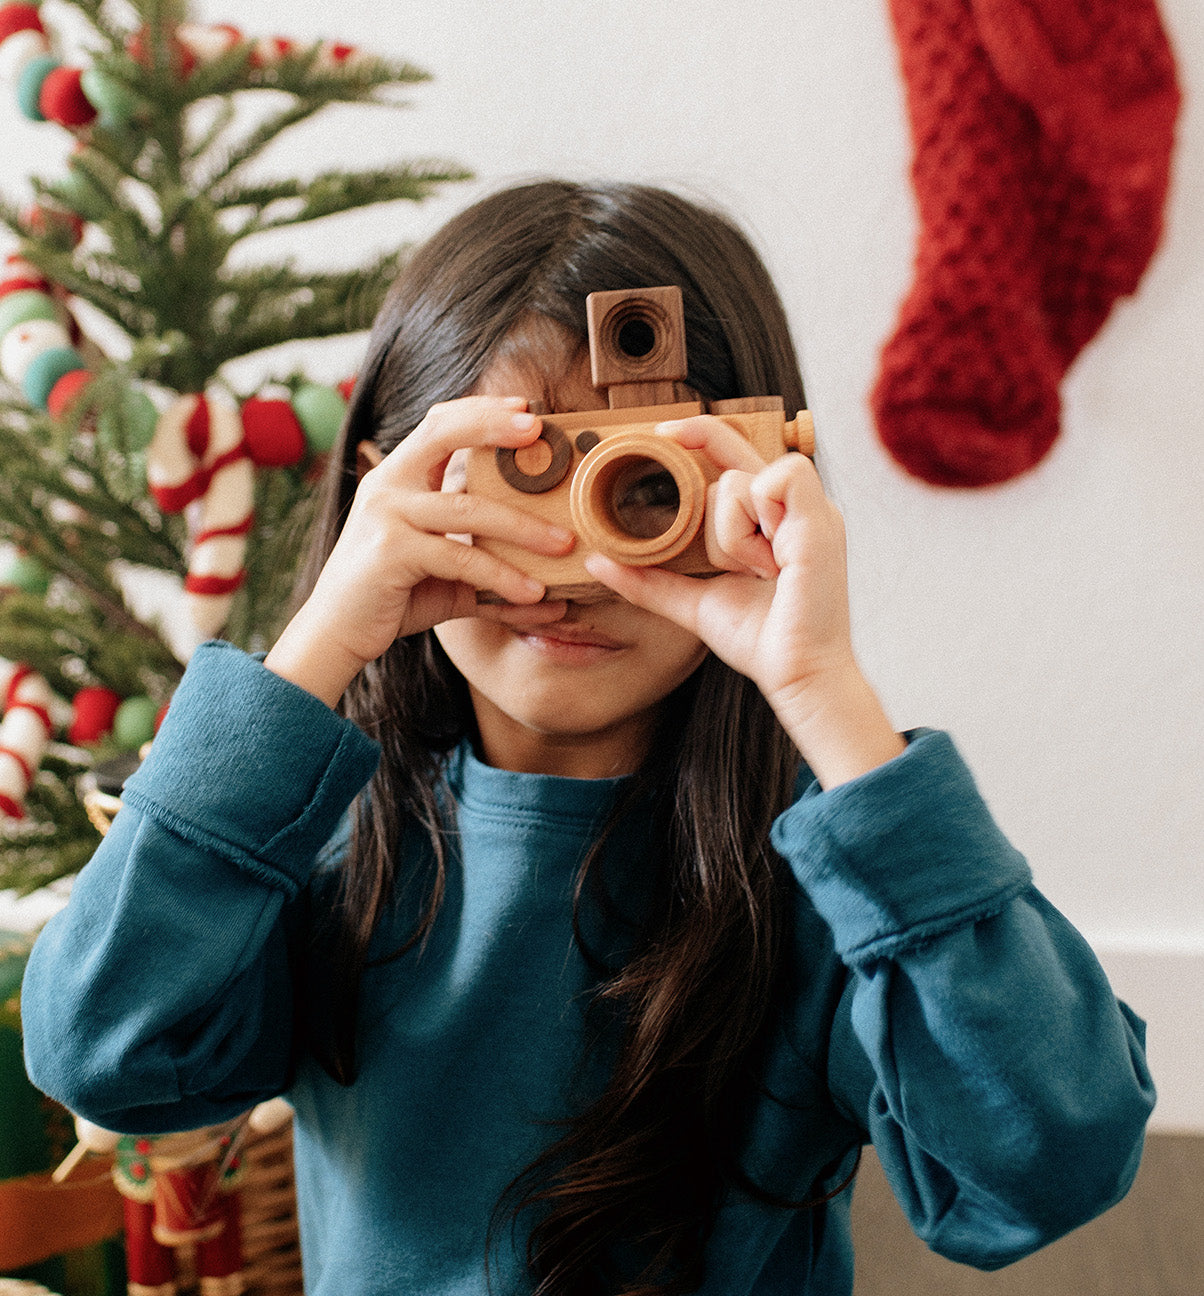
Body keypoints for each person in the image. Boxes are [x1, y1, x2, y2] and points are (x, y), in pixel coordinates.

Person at [22, 181, 1154, 1296]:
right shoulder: (327, 833)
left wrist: (824, 692)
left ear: (767, 479)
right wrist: (319, 643)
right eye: (519, 476)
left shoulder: (825, 871)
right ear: (386, 492)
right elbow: (105, 1054)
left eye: (643, 489)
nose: (576, 562)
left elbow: (1047, 1163)